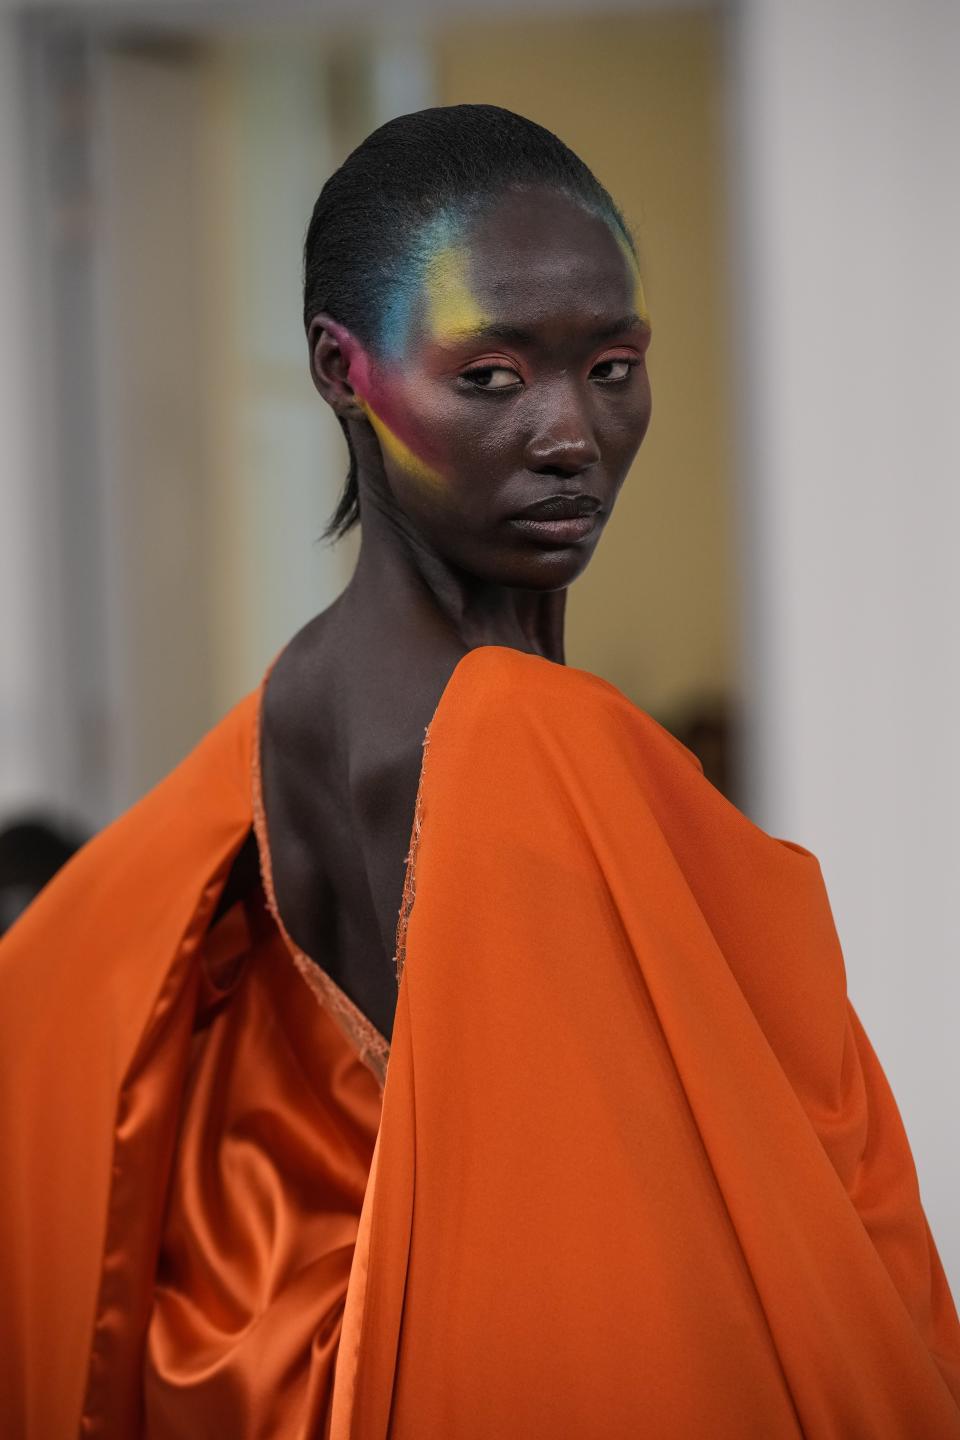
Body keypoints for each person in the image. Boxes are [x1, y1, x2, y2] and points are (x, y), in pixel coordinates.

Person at [1, 104, 958, 1440]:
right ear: (344, 371)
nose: (571, 434)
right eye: (492, 378)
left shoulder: (293, 703)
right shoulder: (519, 738)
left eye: (612, 366)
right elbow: (636, 1261)